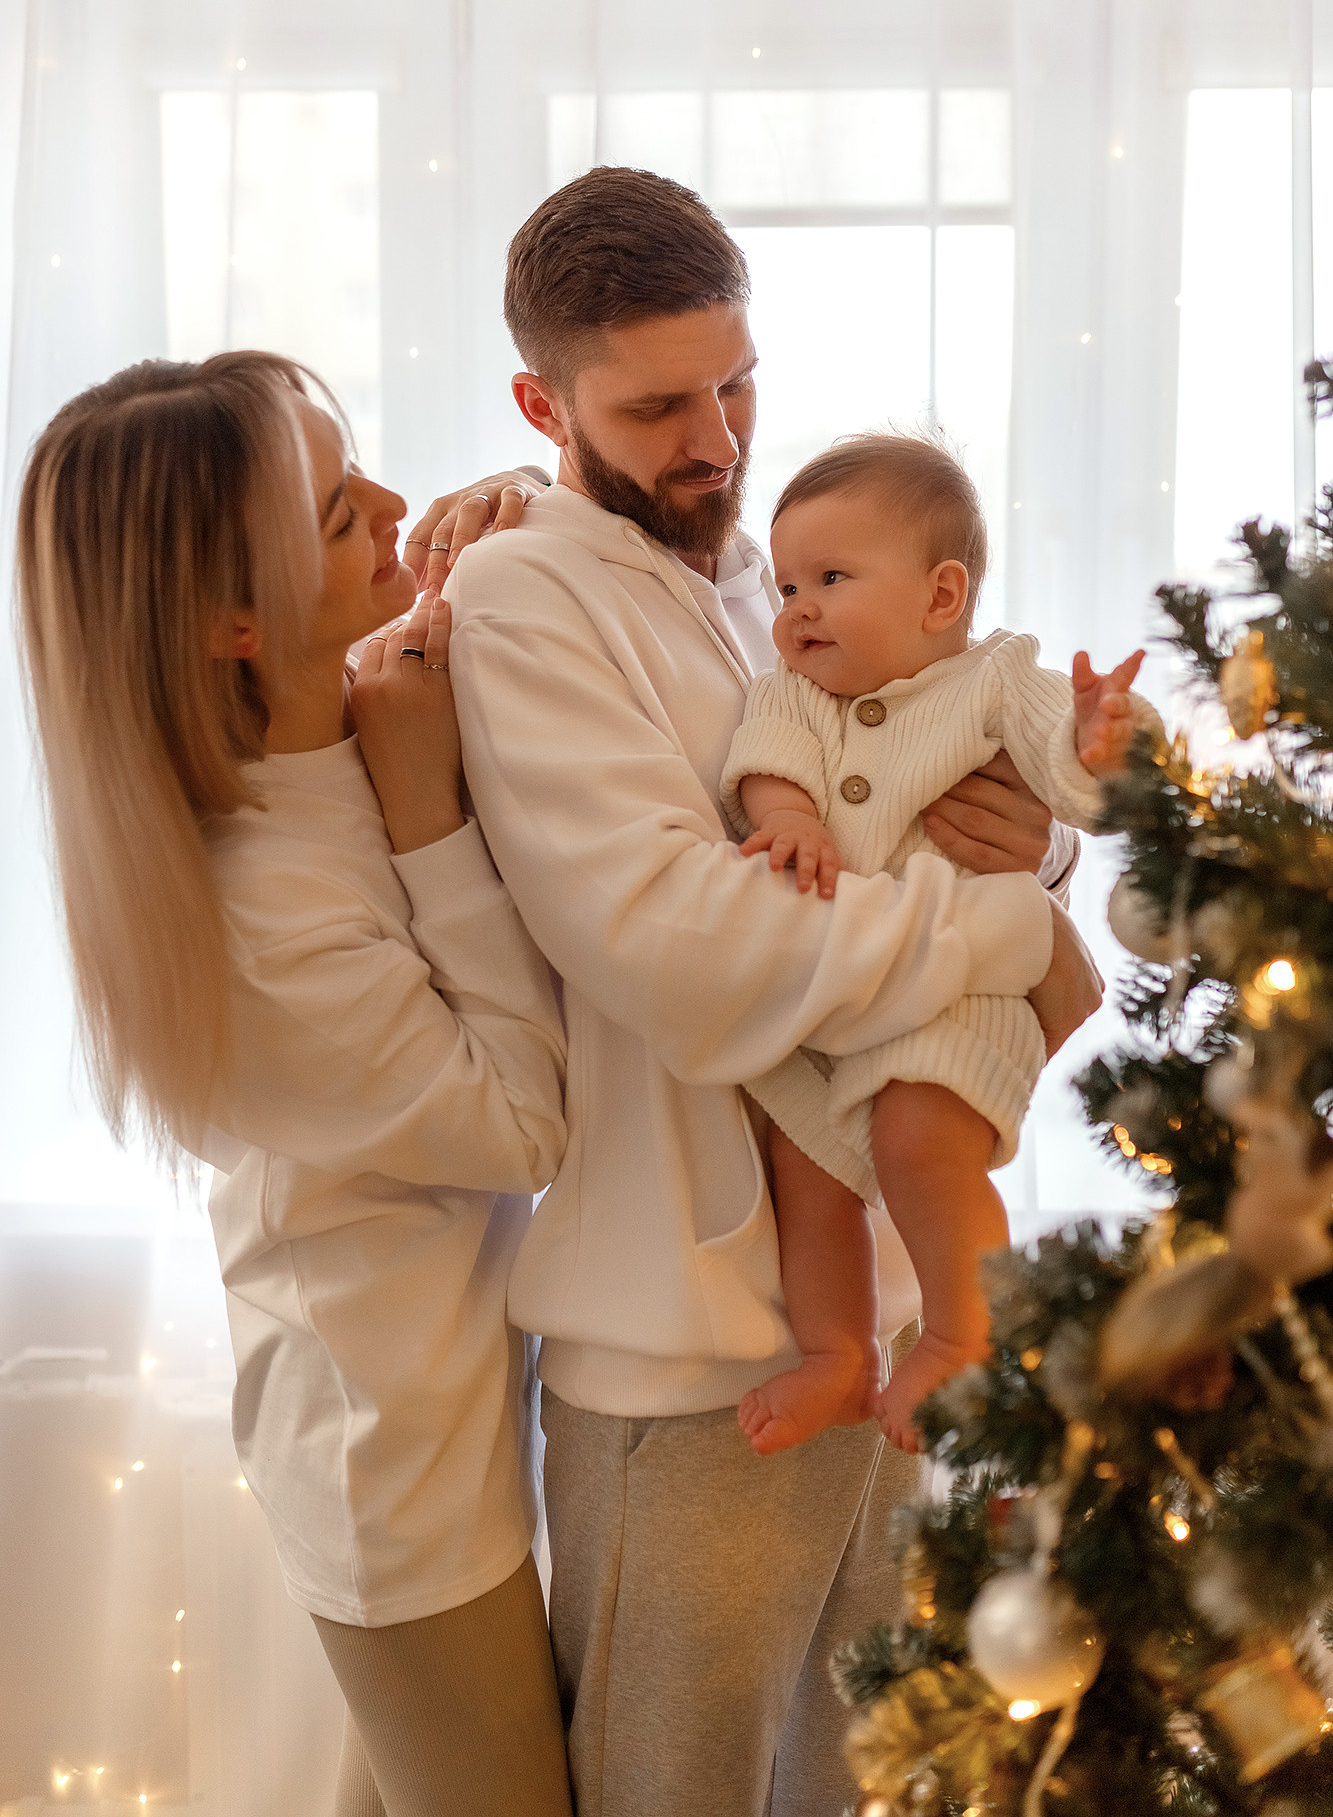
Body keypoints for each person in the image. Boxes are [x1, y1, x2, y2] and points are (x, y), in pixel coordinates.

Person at [406, 167, 1103, 1817]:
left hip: (877, 1336)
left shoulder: (754, 573)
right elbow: (690, 957)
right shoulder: (523, 596)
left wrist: (1036, 859)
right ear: (538, 402)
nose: (716, 436)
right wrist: (997, 940)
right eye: (659, 405)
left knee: (888, 1792)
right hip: (688, 1382)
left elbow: (916, 776)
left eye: (735, 382)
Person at [15, 352, 574, 1817]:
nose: (393, 505)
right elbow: (527, 1122)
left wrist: (524, 513)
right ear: (231, 624)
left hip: (452, 1412)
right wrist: (427, 810)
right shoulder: (258, 916)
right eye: (340, 514)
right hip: (401, 1476)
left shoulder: (340, 735)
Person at [718, 432, 1159, 1456]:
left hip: (965, 996)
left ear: (940, 594)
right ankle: (835, 1350)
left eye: (831, 578)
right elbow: (764, 762)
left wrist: (1097, 739)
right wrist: (788, 816)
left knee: (923, 1139)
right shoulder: (797, 694)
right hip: (837, 1004)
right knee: (803, 1168)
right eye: (787, 586)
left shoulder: (997, 681)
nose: (798, 609)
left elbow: (1068, 778)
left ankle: (965, 1332)